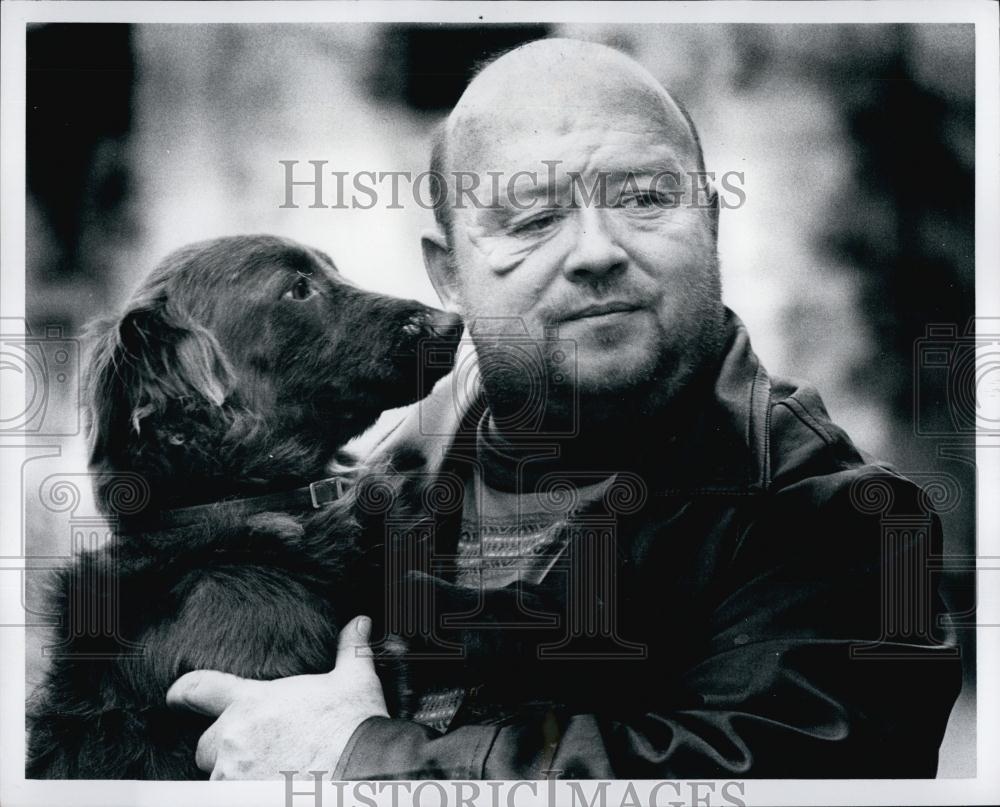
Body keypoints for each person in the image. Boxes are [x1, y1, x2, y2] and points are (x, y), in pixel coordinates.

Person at [165, 38, 962, 779]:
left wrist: (358, 759)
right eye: (533, 218)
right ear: (448, 275)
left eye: (645, 198)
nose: (596, 251)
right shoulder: (379, 490)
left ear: (712, 222)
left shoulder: (845, 523)